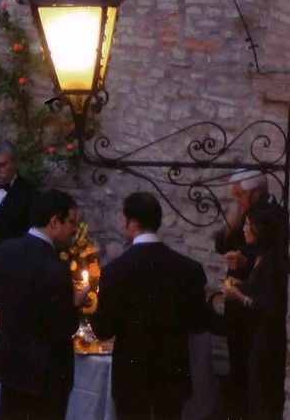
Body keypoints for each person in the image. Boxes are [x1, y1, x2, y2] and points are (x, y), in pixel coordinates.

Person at [93, 192, 209, 420]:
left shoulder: (115, 271)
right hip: (171, 374)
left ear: (132, 223)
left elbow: (103, 329)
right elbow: (198, 322)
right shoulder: (188, 269)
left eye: (122, 217)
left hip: (132, 375)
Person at [0, 189, 84, 420]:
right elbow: (63, 327)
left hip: (10, 367)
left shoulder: (5, 249)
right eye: (71, 222)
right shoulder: (55, 267)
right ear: (54, 221)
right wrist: (75, 303)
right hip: (46, 375)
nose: (74, 228)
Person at [210, 170, 283, 418]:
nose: (237, 199)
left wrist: (246, 263)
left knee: (254, 375)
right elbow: (220, 243)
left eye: (240, 195)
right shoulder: (242, 215)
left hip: (256, 308)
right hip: (238, 303)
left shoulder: (275, 219)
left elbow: (274, 265)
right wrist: (233, 220)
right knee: (237, 365)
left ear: (257, 193)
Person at [222, 202, 288, 419]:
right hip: (257, 337)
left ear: (259, 230)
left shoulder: (271, 262)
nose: (243, 229)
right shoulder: (260, 257)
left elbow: (269, 307)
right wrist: (242, 285)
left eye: (247, 224)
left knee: (263, 397)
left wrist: (238, 297)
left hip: (267, 341)